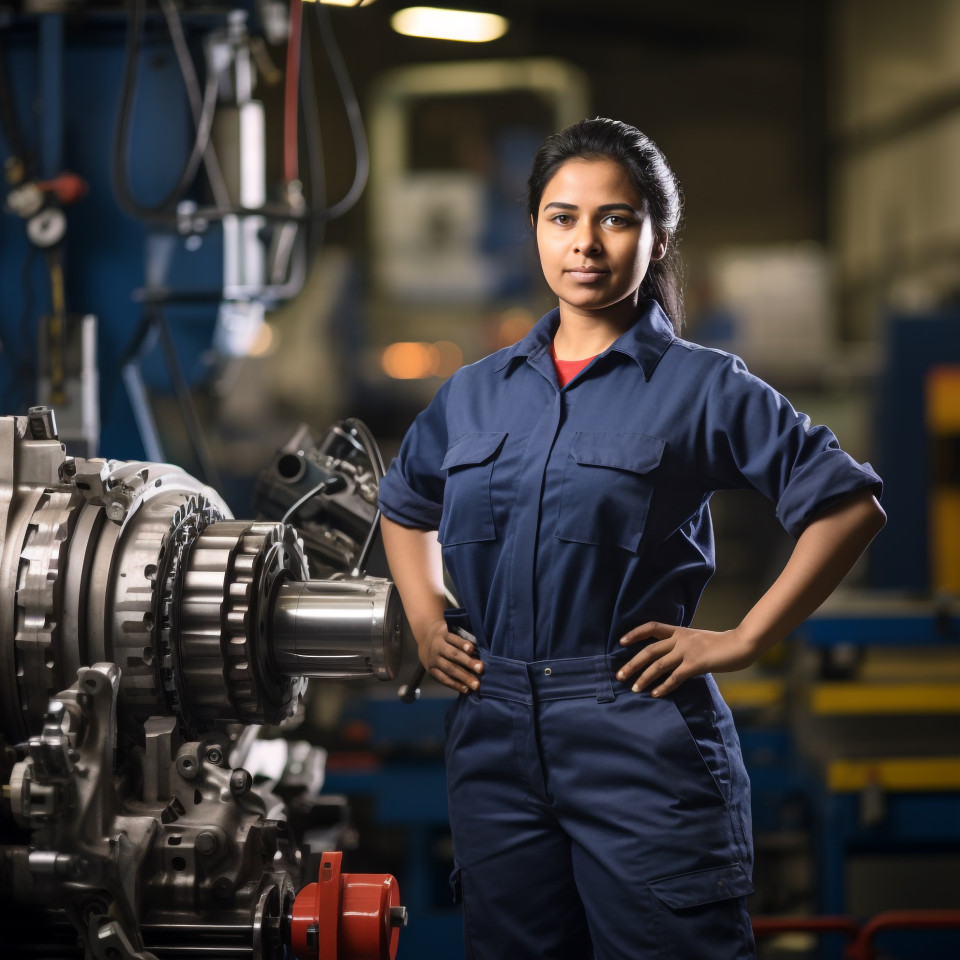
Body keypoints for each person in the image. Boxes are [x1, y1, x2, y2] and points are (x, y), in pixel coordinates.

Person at [377, 117, 885, 960]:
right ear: (535, 227)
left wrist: (746, 637)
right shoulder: (475, 394)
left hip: (636, 732)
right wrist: (427, 616)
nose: (586, 243)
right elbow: (405, 502)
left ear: (657, 234)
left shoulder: (701, 388)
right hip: (493, 737)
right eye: (560, 217)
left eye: (614, 218)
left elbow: (845, 502)